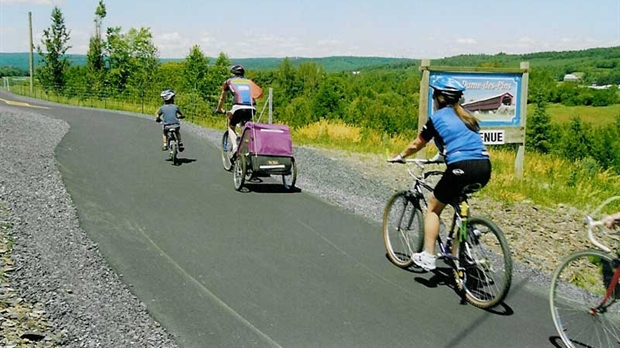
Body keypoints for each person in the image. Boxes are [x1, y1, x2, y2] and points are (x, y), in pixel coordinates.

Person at [388, 76, 491, 271]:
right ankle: (464, 242)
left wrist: (400, 155)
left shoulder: (437, 118)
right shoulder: (468, 116)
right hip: (484, 167)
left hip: (461, 167)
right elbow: (459, 143)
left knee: (433, 208)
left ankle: (428, 255)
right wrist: (441, 156)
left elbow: (418, 143)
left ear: (439, 98)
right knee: (459, 200)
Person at [215, 64, 263, 153]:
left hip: (238, 107)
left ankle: (235, 147)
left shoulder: (229, 81)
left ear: (233, 74)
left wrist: (219, 109)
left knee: (231, 126)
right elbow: (259, 93)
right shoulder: (249, 82)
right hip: (251, 108)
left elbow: (222, 98)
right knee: (245, 126)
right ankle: (247, 148)